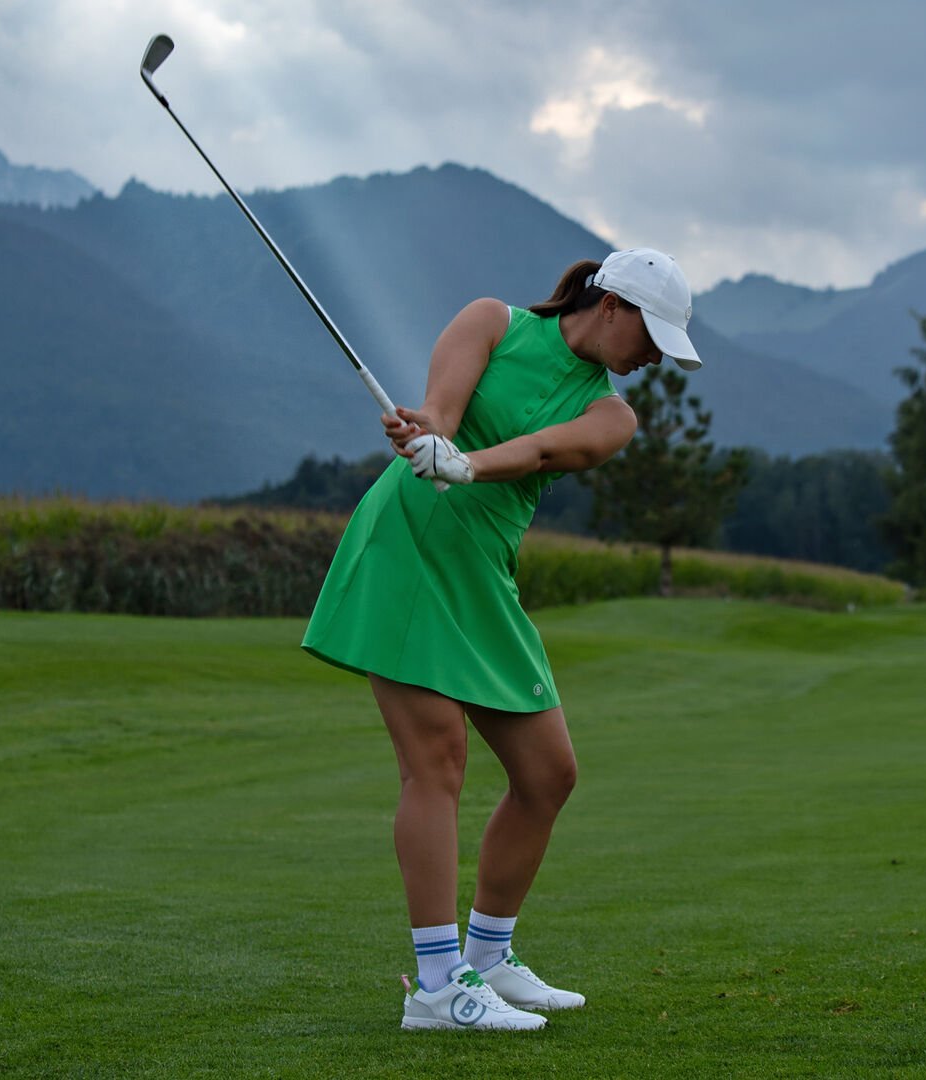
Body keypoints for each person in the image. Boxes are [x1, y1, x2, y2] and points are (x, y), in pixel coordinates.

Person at [301, 248, 703, 1031]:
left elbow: (544, 451)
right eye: (651, 337)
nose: (655, 357)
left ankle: (487, 958)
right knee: (437, 760)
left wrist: (465, 465)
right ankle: (436, 985)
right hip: (409, 546)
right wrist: (428, 439)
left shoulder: (612, 416)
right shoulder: (492, 322)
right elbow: (440, 415)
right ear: (611, 305)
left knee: (548, 773)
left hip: (483, 570)